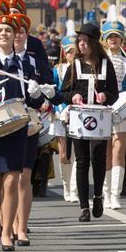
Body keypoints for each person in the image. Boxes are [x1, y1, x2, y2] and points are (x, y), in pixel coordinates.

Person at [0, 14, 55, 251]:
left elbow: (39, 100)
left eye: (8, 31)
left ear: (15, 36)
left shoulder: (26, 65)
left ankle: (7, 232)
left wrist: (36, 93)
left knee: (12, 181)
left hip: (17, 128)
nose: (4, 34)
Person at [60, 23, 119, 223]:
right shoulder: (74, 65)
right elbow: (63, 91)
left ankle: (98, 196)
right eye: (80, 41)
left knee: (99, 158)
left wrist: (105, 96)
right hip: (79, 118)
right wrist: (73, 95)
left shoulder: (105, 64)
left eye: (86, 41)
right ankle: (84, 206)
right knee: (82, 160)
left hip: (100, 118)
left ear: (94, 43)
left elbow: (114, 93)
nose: (82, 45)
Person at [101, 21, 126, 210]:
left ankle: (116, 193)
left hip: (121, 107)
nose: (113, 39)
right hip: (104, 107)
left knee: (119, 149)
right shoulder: (101, 59)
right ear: (104, 39)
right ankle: (106, 192)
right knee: (106, 152)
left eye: (117, 36)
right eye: (110, 36)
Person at [52, 34, 77, 202]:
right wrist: (60, 108)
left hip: (78, 111)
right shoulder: (58, 69)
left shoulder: (85, 67)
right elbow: (53, 91)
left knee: (77, 153)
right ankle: (66, 186)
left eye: (75, 51)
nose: (72, 54)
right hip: (61, 111)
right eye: (69, 52)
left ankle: (74, 189)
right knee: (63, 154)